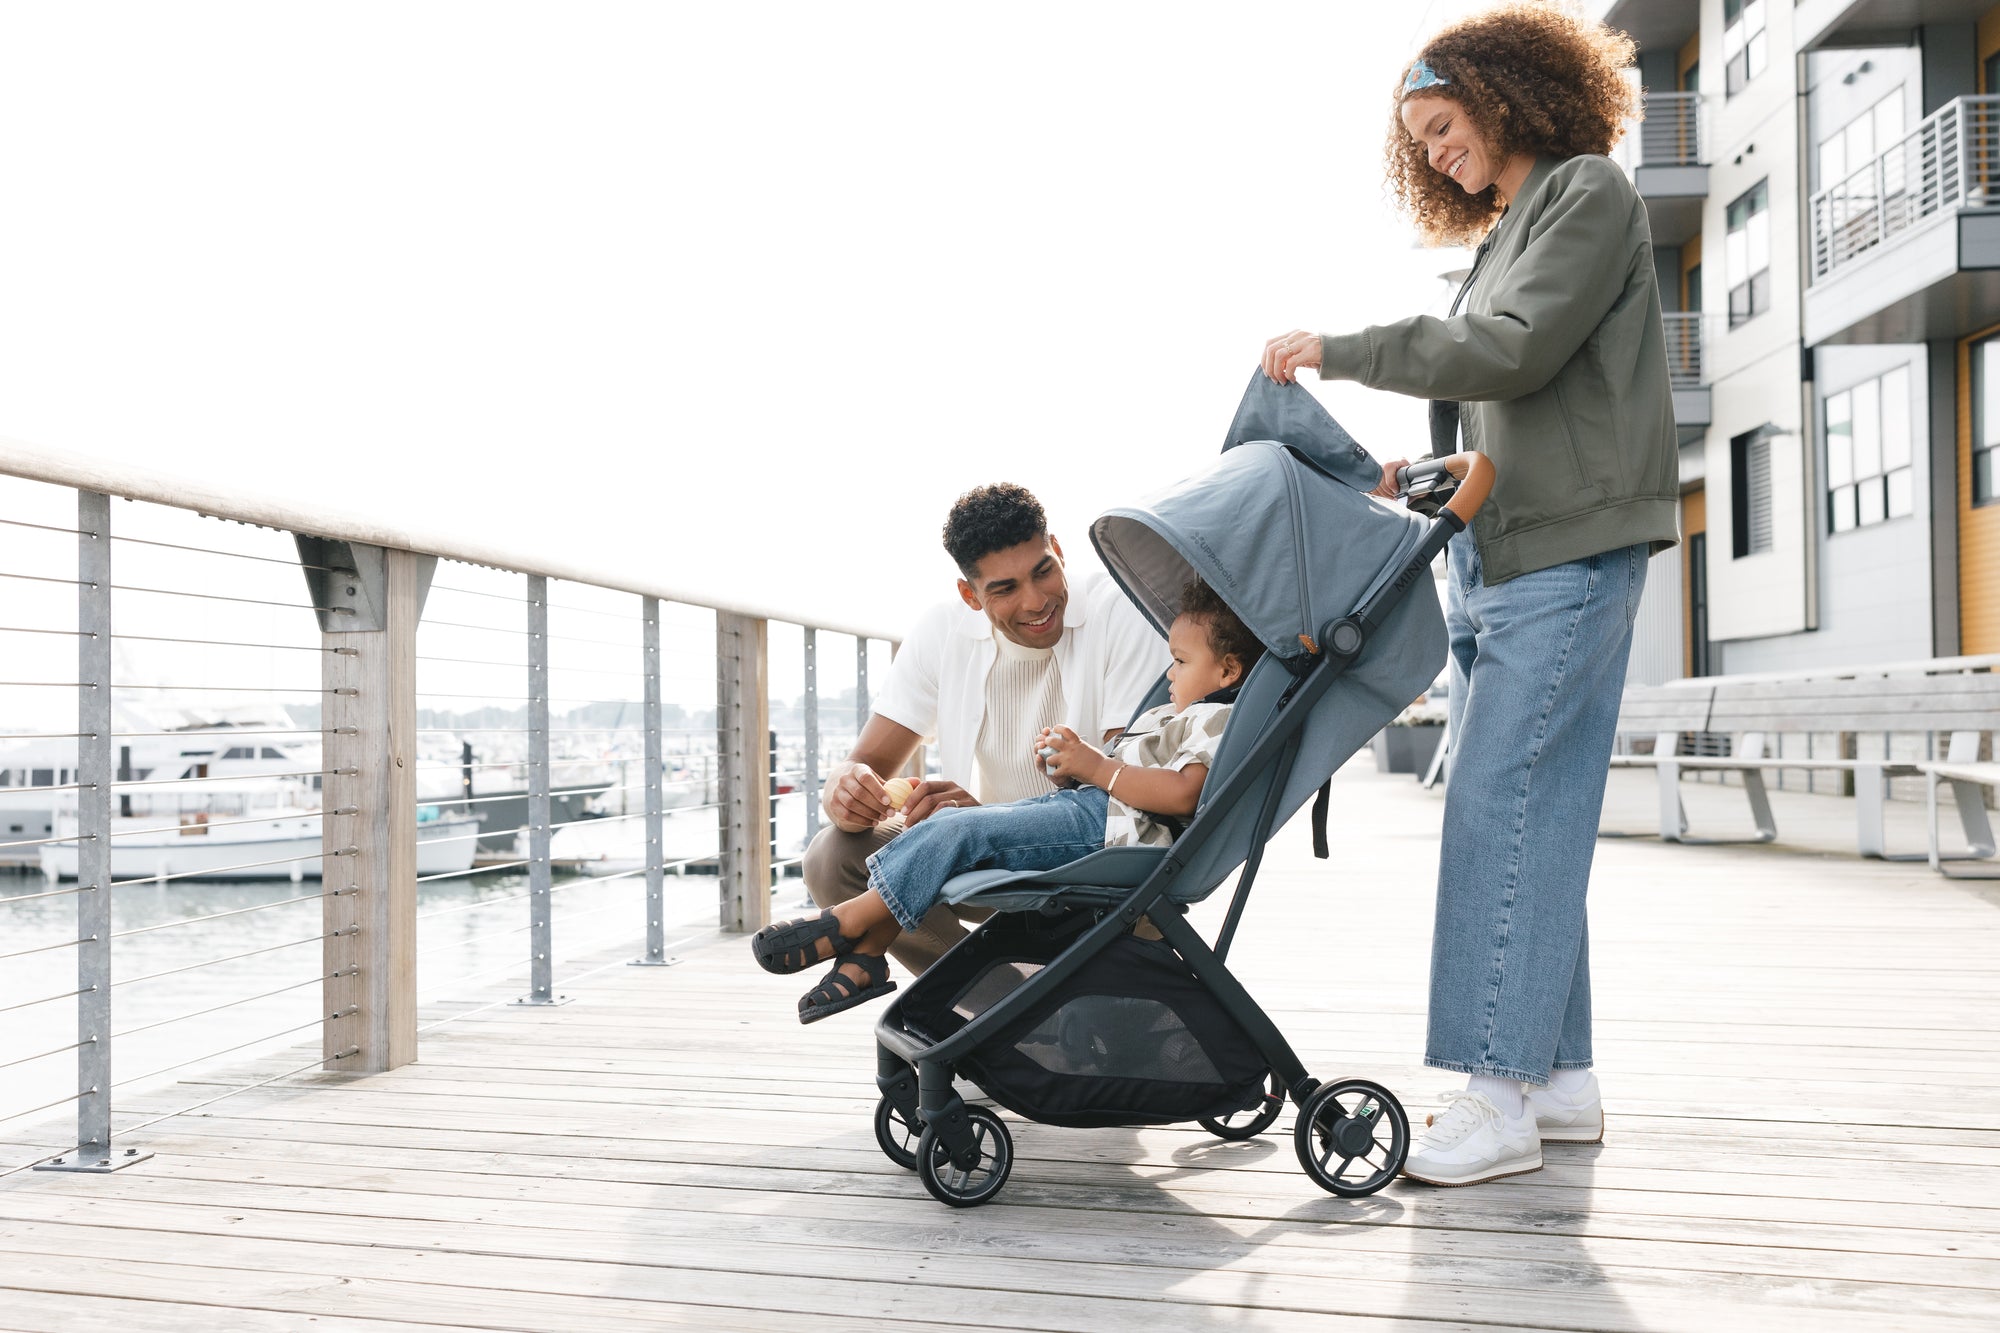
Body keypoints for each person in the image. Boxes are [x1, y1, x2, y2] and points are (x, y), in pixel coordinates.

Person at [1262, 4, 1677, 1186]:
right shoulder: (1508, 231)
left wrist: (1341, 349)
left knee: (1498, 808)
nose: (1437, 155)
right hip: (1500, 550)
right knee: (1532, 816)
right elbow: (1513, 400)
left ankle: (1493, 1096)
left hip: (1560, 556)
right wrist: (1426, 470)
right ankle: (1558, 1080)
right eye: (1421, 143)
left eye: (1444, 128)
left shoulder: (1584, 192)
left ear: (1504, 99)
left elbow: (1509, 352)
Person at [757, 580, 1259, 1022]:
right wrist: (1071, 768)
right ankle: (868, 954)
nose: (1169, 673)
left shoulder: (1215, 719)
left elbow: (1183, 794)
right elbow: (1131, 777)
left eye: (1180, 661)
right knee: (945, 826)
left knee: (956, 829)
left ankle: (850, 922)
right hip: (1088, 815)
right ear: (971, 593)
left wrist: (1095, 767)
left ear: (1228, 670)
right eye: (1004, 587)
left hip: (1107, 835)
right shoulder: (1177, 716)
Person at [802, 482, 1166, 979]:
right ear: (969, 595)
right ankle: (995, 1004)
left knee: (949, 840)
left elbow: (1126, 794)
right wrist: (844, 790)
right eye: (1005, 589)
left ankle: (1003, 1015)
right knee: (832, 857)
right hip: (984, 855)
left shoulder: (1120, 610)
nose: (1037, 601)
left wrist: (987, 821)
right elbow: (865, 763)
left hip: (1092, 862)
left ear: (1058, 550)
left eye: (1044, 571)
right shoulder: (942, 631)